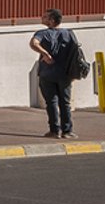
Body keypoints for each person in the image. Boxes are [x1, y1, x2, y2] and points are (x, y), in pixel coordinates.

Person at [30, 8, 77, 139]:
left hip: (47, 73)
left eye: (45, 17)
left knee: (51, 102)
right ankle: (67, 131)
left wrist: (45, 54)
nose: (42, 18)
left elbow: (33, 43)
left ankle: (54, 131)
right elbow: (75, 53)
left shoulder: (42, 33)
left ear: (51, 20)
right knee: (65, 103)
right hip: (65, 73)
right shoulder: (69, 33)